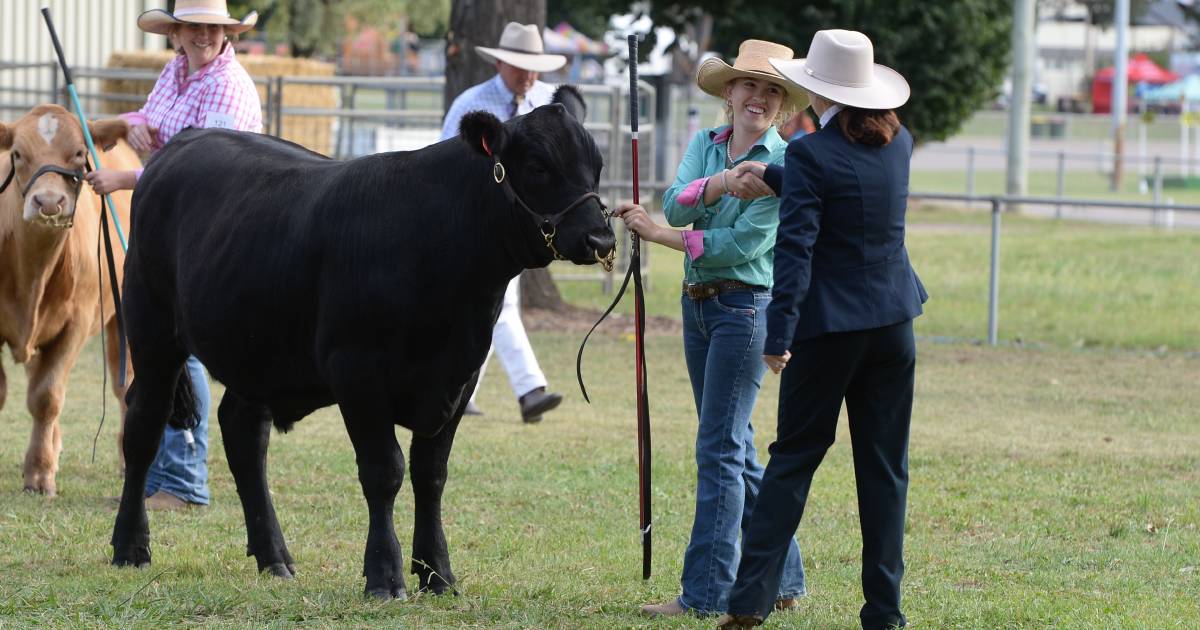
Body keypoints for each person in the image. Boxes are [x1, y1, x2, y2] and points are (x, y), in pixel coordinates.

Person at [716, 29, 928, 630]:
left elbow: (798, 249)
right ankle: (884, 613)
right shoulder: (899, 142)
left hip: (830, 330)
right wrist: (781, 178)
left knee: (792, 460)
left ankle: (749, 601)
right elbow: (854, 195)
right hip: (893, 326)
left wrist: (779, 336)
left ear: (817, 93)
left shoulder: (811, 153)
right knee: (885, 470)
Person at [612, 39, 809, 618]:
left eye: (773, 90)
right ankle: (785, 576)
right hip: (698, 308)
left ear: (781, 106)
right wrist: (721, 185)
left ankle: (706, 593)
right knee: (735, 447)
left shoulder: (787, 165)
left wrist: (662, 236)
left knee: (719, 449)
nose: (760, 97)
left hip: (745, 312)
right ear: (729, 92)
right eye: (750, 84)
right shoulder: (705, 145)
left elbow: (738, 246)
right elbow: (676, 202)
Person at [85, 0, 262, 510]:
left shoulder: (228, 85)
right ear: (176, 34)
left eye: (212, 28)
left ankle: (184, 484)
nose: (203, 36)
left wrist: (123, 177)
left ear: (225, 33)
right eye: (193, 28)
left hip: (218, 229)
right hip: (179, 228)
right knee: (163, 346)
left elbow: (202, 169)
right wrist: (129, 125)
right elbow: (159, 122)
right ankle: (162, 476)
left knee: (186, 349)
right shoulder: (175, 71)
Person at [439, 22, 566, 423]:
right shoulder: (471, 105)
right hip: (477, 227)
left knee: (492, 305)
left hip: (528, 227)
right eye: (518, 66)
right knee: (501, 302)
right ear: (499, 62)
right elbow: (447, 161)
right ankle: (528, 390)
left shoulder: (549, 103)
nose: (527, 76)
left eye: (533, 67)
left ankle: (465, 391)